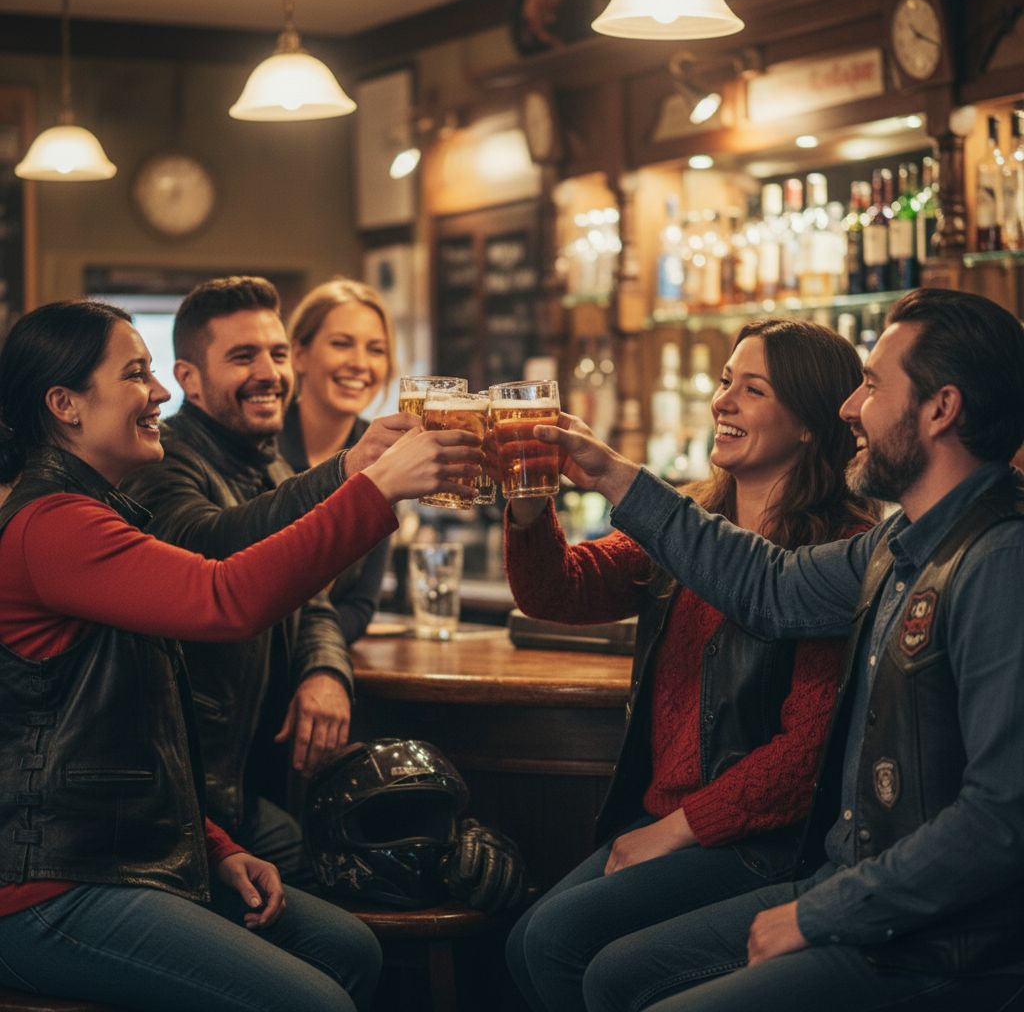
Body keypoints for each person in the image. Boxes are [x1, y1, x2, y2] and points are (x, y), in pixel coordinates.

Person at [527, 288, 1024, 1012]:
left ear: (941, 409)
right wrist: (605, 472)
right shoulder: (903, 542)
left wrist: (821, 913)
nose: (850, 408)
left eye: (873, 386)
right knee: (600, 970)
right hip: (854, 888)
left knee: (583, 955)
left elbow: (1002, 819)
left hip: (941, 945)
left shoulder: (1000, 560)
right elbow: (767, 585)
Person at [0, 300, 481, 1010]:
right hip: (50, 888)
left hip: (118, 855)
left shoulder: (95, 512)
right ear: (64, 404)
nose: (159, 392)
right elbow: (227, 597)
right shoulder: (53, 526)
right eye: (135, 374)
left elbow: (138, 733)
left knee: (349, 948)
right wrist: (374, 489)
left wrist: (214, 846)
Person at [504, 320, 877, 1012]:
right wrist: (528, 498)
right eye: (726, 382)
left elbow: (806, 755)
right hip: (667, 819)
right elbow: (558, 591)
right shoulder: (690, 523)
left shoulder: (838, 553)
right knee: (526, 939)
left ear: (808, 422)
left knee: (557, 943)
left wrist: (675, 829)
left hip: (760, 842)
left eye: (753, 389)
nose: (722, 401)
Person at [124, 276, 413, 890]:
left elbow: (315, 597)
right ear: (188, 379)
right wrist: (348, 473)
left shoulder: (268, 460)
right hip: (187, 802)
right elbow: (216, 548)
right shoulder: (162, 460)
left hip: (246, 788)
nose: (269, 373)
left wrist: (325, 671)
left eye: (276, 354)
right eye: (242, 356)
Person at [277, 277, 394, 646]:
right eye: (342, 344)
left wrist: (315, 657)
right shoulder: (263, 445)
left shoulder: (383, 455)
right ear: (299, 355)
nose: (360, 363)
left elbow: (360, 605)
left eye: (376, 349)